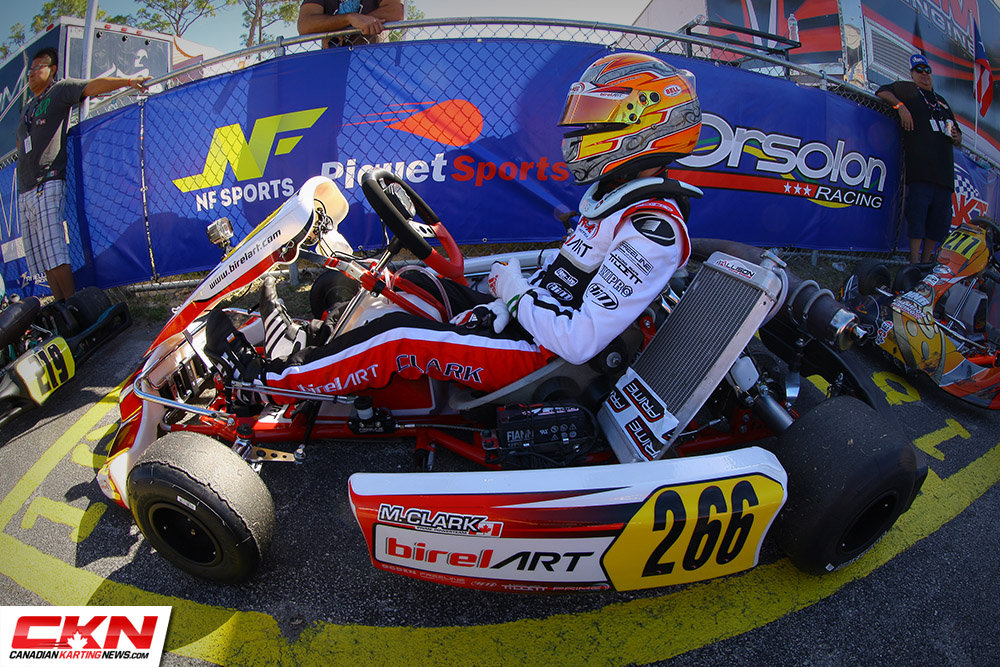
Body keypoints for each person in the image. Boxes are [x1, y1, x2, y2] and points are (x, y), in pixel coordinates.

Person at [208, 53, 703, 402]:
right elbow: (570, 280)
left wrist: (514, 295)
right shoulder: (616, 203)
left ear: (646, 127)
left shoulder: (651, 229)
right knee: (420, 283)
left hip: (535, 354)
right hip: (523, 324)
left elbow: (578, 340)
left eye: (597, 119)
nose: (582, 132)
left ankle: (270, 382)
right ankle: (316, 341)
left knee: (398, 338)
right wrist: (514, 291)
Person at [15, 46, 150, 301]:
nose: (31, 73)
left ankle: (73, 307)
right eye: (30, 69)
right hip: (25, 189)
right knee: (43, 257)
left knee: (54, 251)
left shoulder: (59, 90)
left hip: (47, 182)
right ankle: (61, 307)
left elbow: (92, 86)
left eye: (37, 68)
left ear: (52, 70)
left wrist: (128, 81)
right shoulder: (28, 106)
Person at [876, 54, 962, 264]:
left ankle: (926, 262)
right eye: (919, 70)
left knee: (938, 222)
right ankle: (913, 262)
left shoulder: (942, 101)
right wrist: (900, 106)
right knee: (918, 218)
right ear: (912, 74)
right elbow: (882, 91)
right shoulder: (909, 90)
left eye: (927, 70)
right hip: (921, 171)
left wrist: (956, 136)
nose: (924, 74)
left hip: (944, 175)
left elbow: (958, 136)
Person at [297, 0, 404, 48]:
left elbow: (395, 11)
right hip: (334, 62)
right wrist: (349, 19)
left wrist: (353, 24)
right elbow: (304, 25)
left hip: (371, 61)